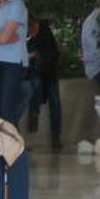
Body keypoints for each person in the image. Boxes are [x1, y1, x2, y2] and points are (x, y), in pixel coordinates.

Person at [26, 15, 63, 150]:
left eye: (32, 30)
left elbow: (53, 53)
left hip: (49, 71)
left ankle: (56, 136)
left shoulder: (44, 31)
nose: (31, 33)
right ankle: (33, 123)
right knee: (35, 96)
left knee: (54, 102)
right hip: (36, 72)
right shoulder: (26, 35)